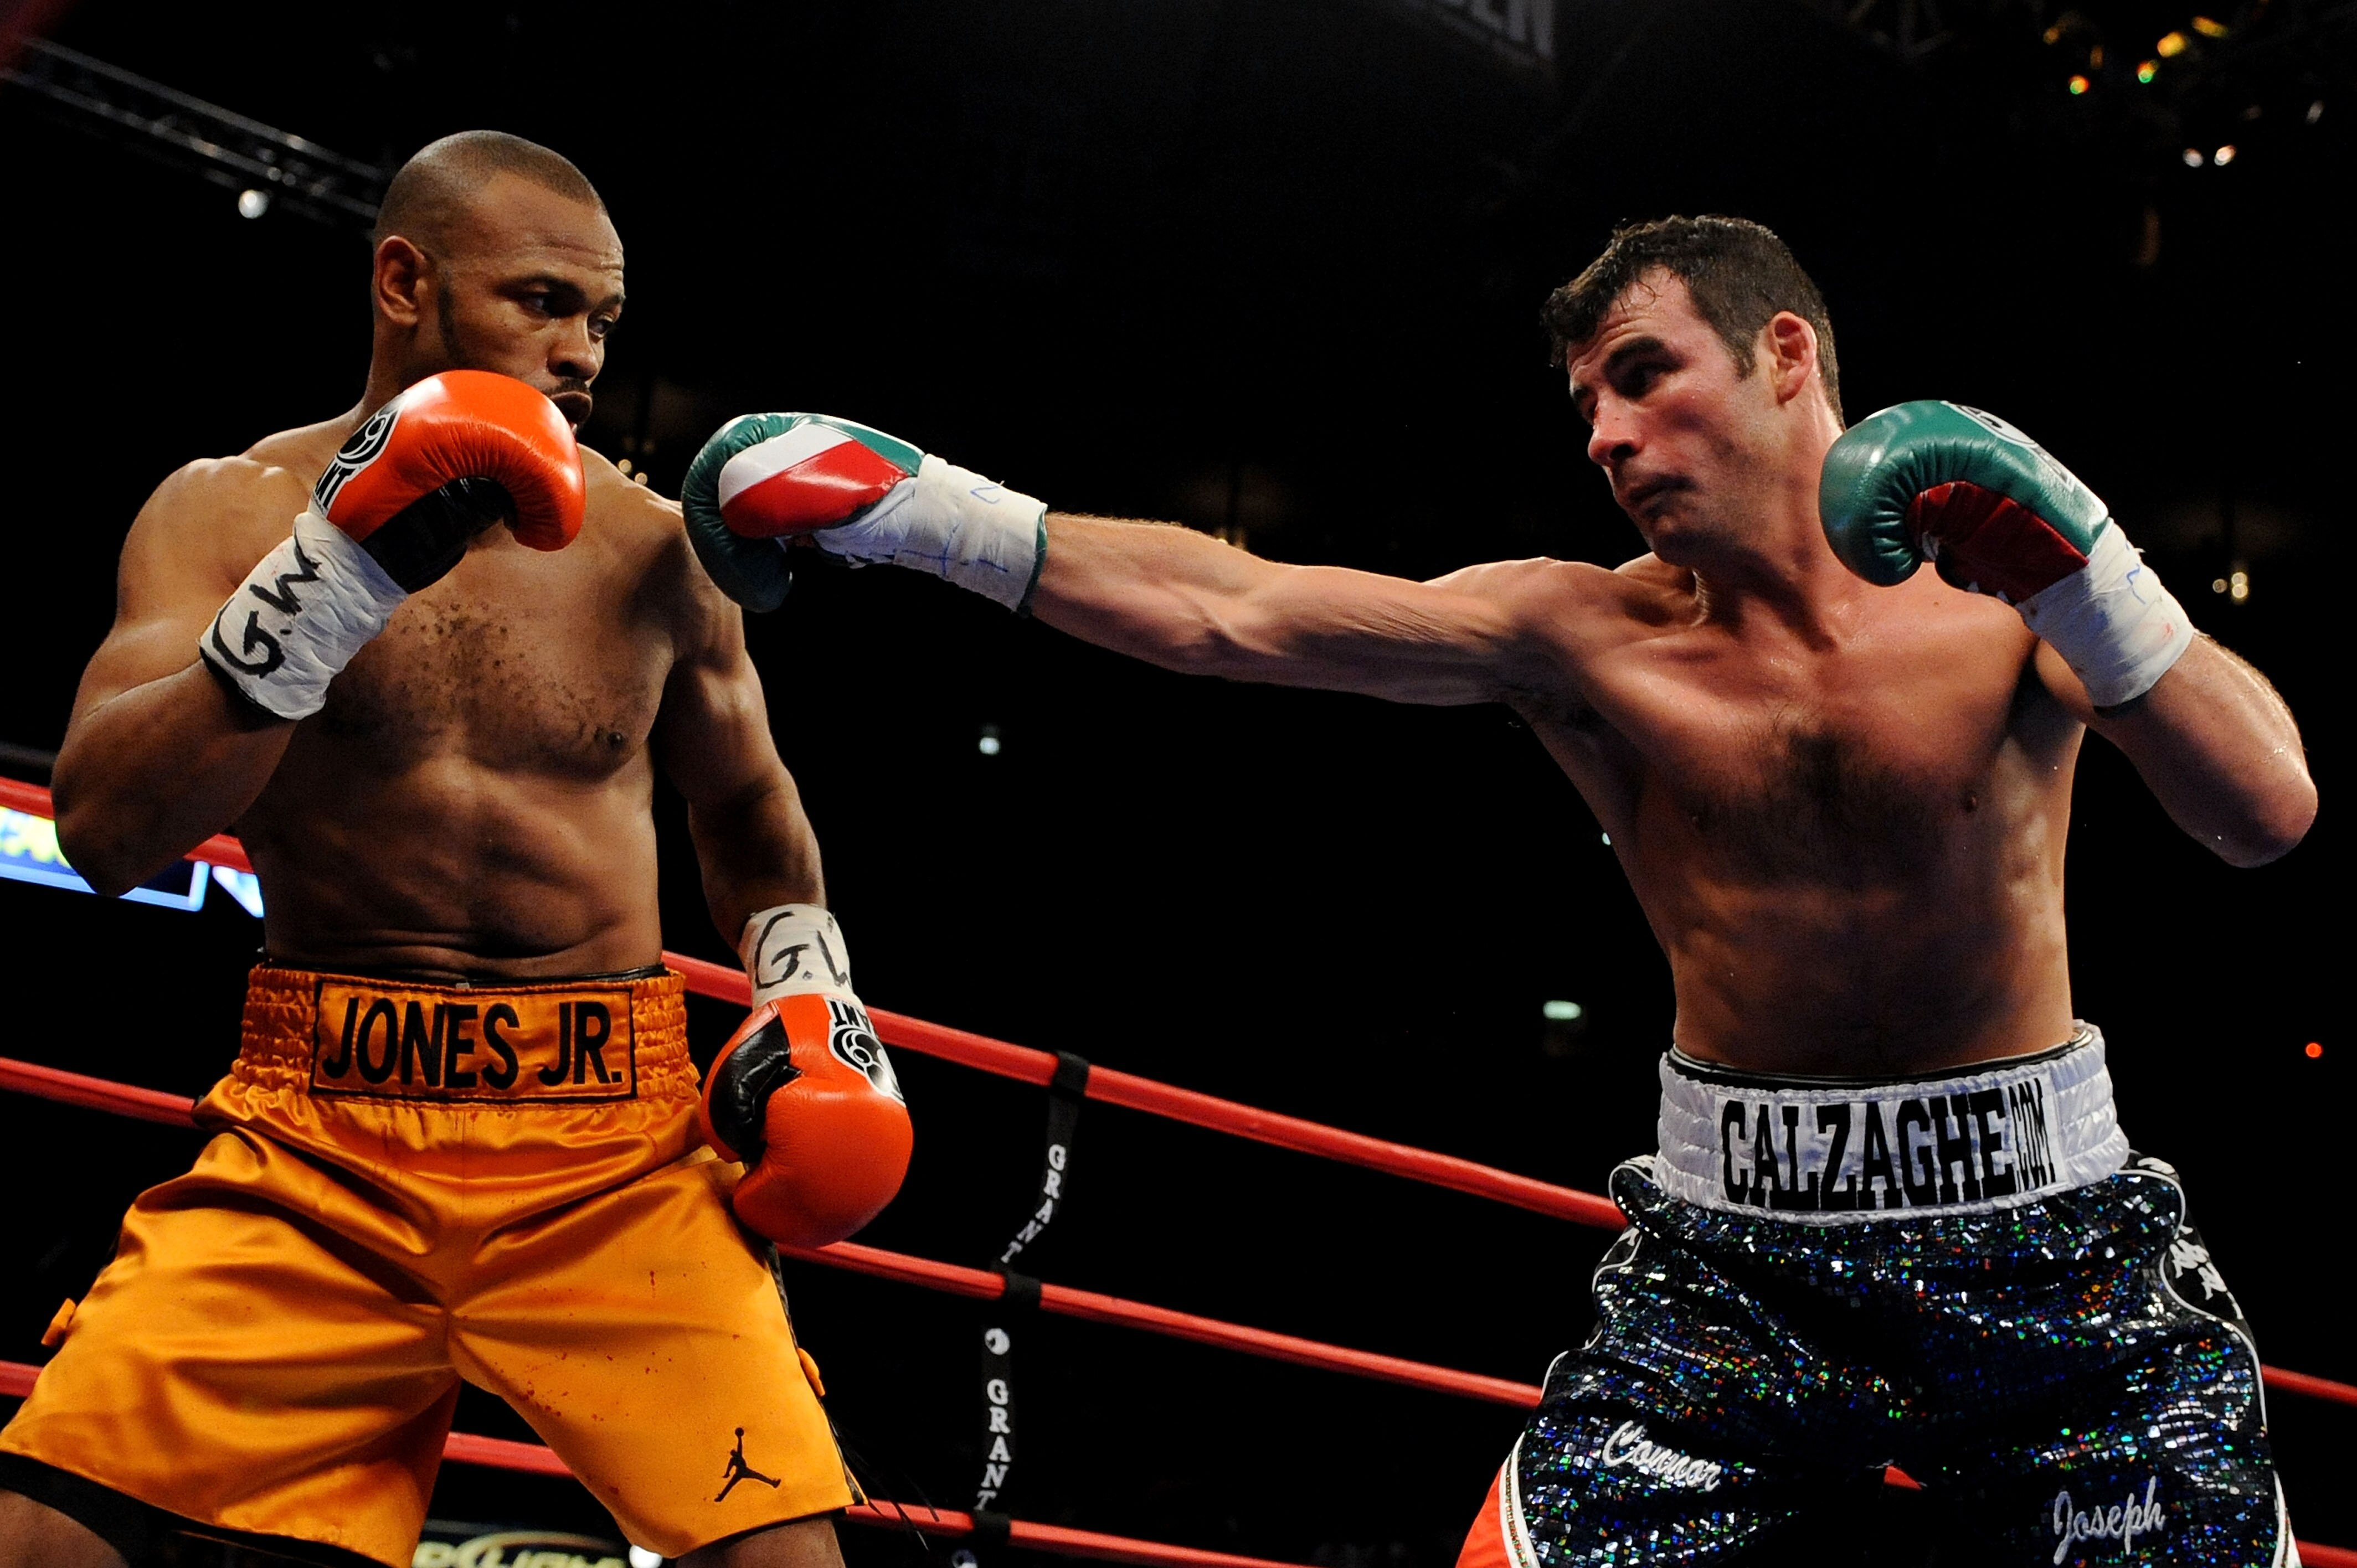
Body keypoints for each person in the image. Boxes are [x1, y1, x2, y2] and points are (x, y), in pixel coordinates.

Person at [678, 216, 2318, 1565]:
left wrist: (2083, 565)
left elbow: (2264, 812)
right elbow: (1231, 611)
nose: (1604, 438)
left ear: (1788, 357)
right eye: (1587, 408)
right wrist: (929, 515)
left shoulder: (2007, 604)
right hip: (1734, 1266)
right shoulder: (1585, 636)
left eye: (1644, 379)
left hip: (2050, 1249)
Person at [0, 131, 910, 1568]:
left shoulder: (658, 550)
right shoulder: (228, 514)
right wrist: (336, 570)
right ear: (406, 280)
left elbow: (747, 817)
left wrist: (816, 1002)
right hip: (321, 1136)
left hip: (613, 1146)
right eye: (542, 301)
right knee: (43, 1544)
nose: (583, 353)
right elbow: (111, 834)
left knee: (786, 1560)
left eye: (601, 318)